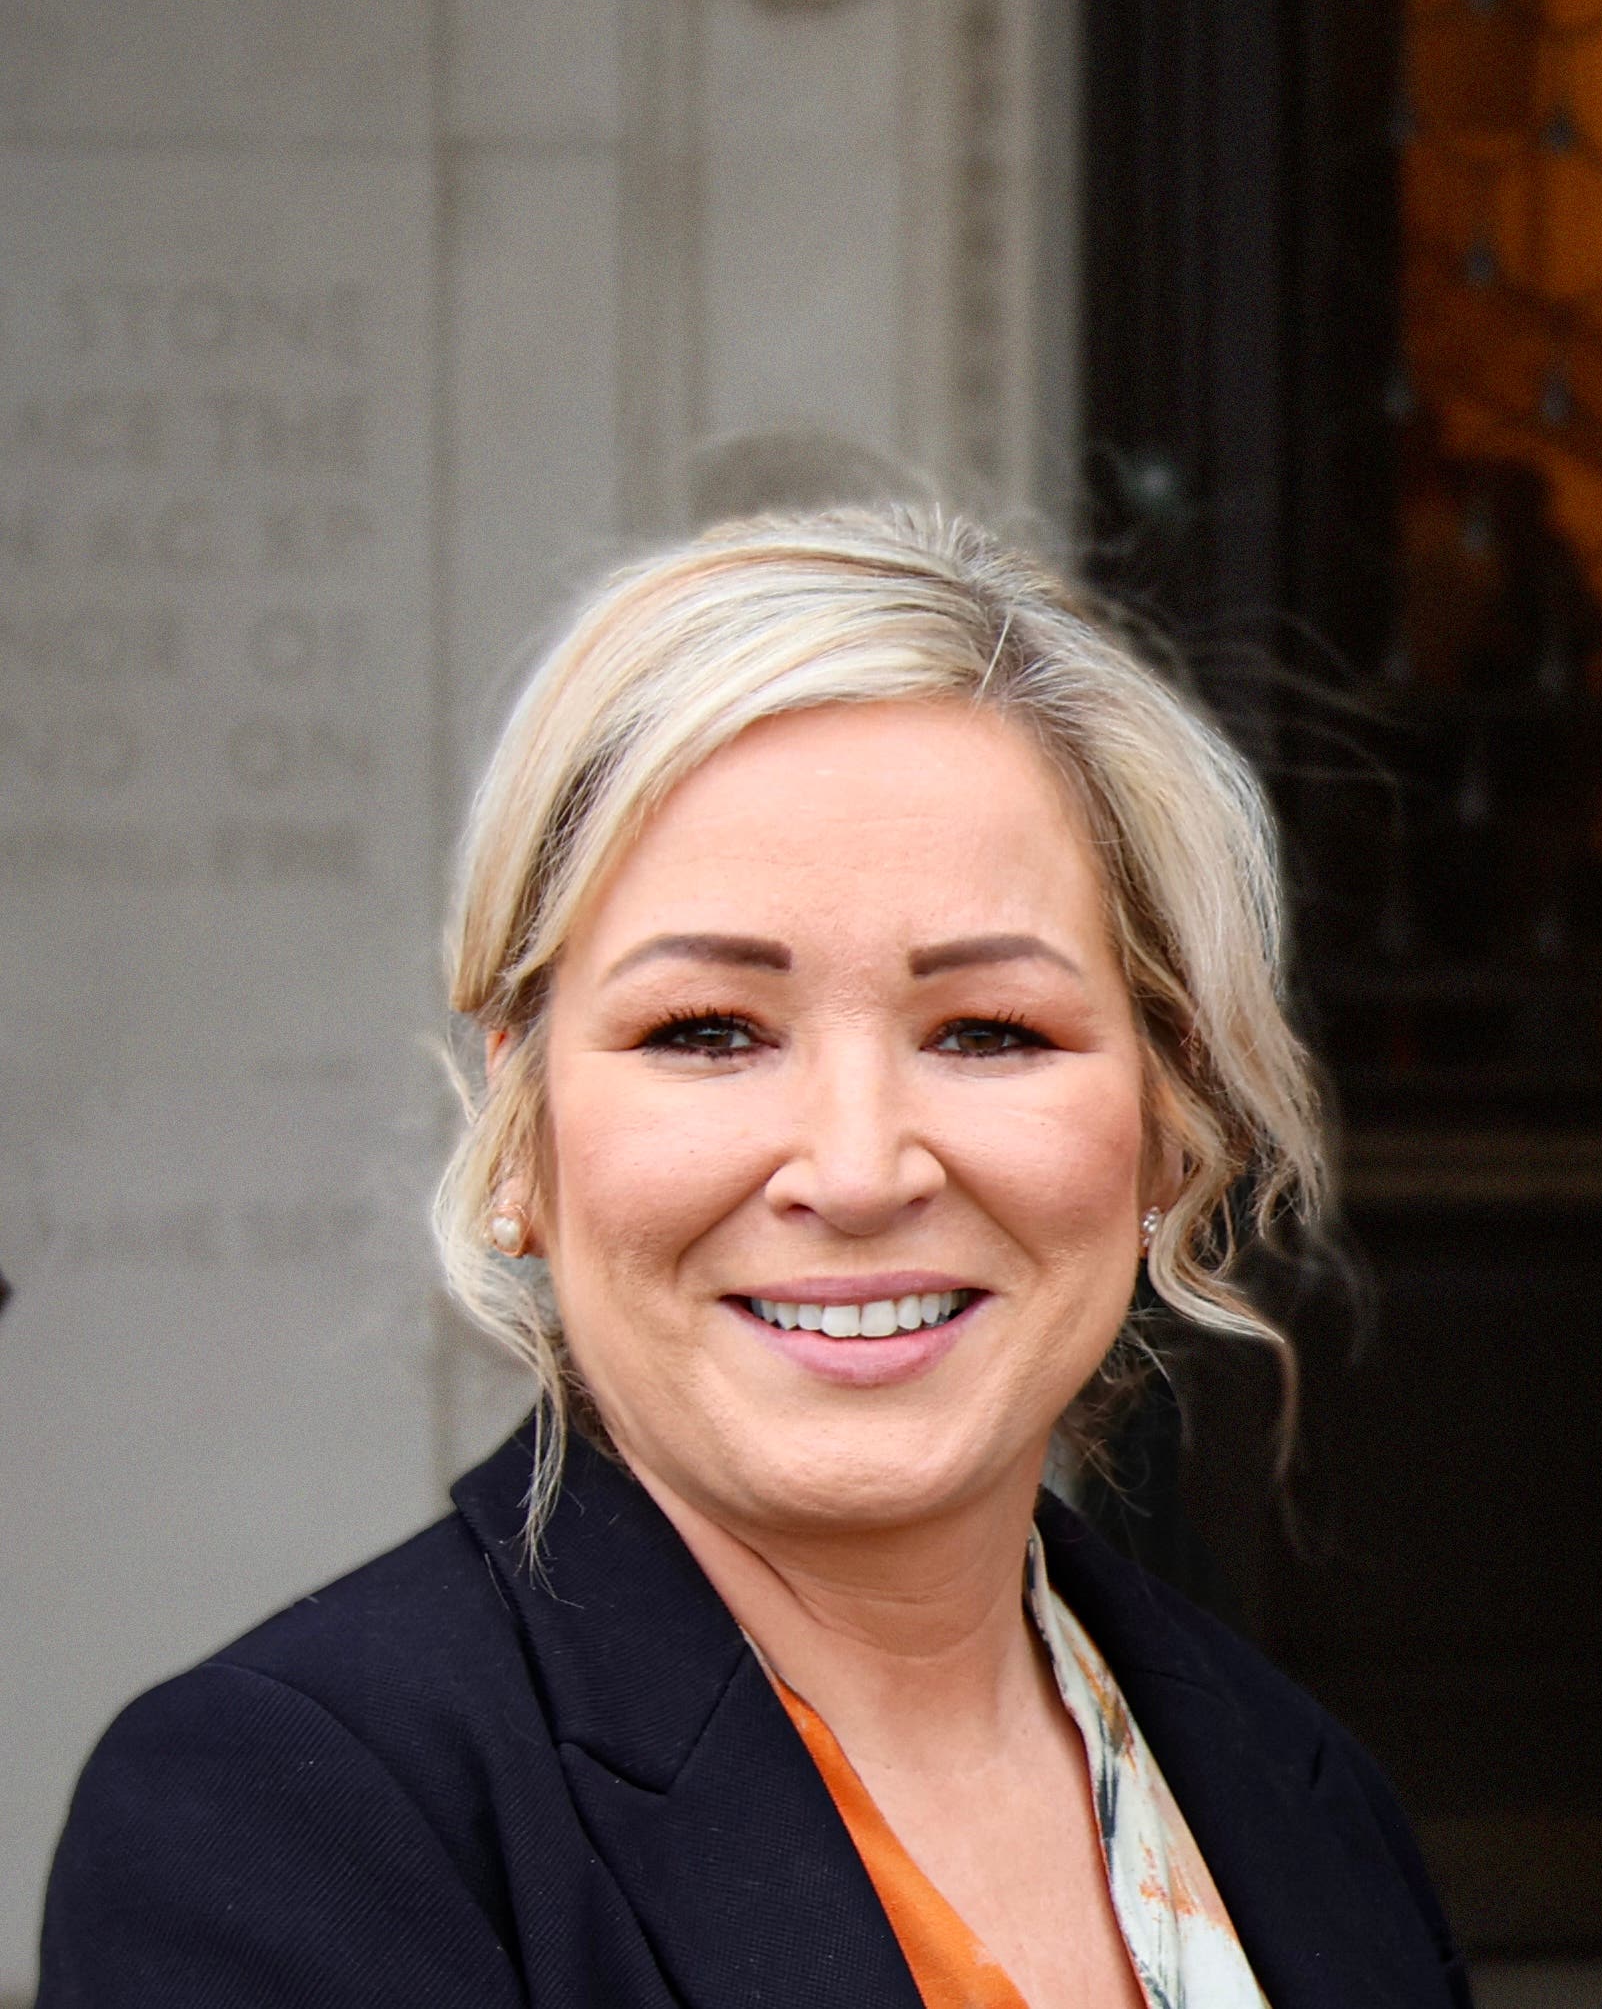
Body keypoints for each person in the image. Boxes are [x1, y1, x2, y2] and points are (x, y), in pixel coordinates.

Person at [44, 509, 1472, 2008]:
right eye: (708, 1031)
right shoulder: (290, 1824)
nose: (857, 1170)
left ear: (1168, 1117)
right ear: (522, 1125)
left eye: (987, 1030)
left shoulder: (1302, 1797)